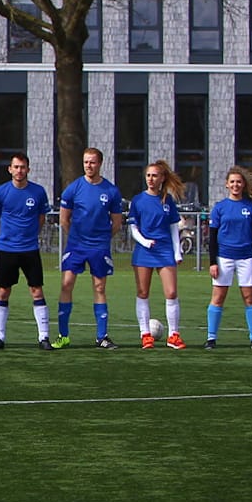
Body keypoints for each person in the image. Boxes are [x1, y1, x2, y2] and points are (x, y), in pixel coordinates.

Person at [54, 147, 125, 350]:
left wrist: (101, 238)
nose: (88, 166)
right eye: (86, 162)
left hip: (99, 247)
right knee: (66, 284)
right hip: (76, 245)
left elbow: (117, 223)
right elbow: (64, 219)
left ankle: (102, 336)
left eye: (92, 162)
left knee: (99, 287)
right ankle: (63, 335)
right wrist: (76, 237)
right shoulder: (73, 188)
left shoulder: (111, 191)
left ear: (100, 163)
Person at [0, 152, 52, 351]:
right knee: (4, 291)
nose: (19, 171)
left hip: (30, 249)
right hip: (7, 249)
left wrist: (30, 236)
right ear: (10, 169)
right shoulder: (1, 192)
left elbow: (41, 218)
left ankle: (43, 337)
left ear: (28, 169)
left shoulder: (38, 192)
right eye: (16, 167)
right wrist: (4, 235)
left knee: (36, 290)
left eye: (23, 167)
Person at [127, 159, 187, 350]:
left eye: (155, 175)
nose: (151, 179)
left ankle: (174, 335)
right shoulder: (138, 200)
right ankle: (145, 335)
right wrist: (145, 241)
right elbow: (133, 228)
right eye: (148, 176)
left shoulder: (167, 200)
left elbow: (173, 229)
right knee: (143, 292)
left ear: (162, 178)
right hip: (144, 251)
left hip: (164, 251)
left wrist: (177, 253)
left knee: (171, 292)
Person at [205, 167, 252, 349]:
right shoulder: (220, 207)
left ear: (243, 184)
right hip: (224, 257)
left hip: (246, 258)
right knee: (218, 297)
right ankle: (211, 338)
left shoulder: (250, 207)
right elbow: (212, 238)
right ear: (227, 184)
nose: (235, 185)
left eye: (239, 182)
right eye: (232, 182)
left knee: (249, 298)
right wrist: (213, 262)